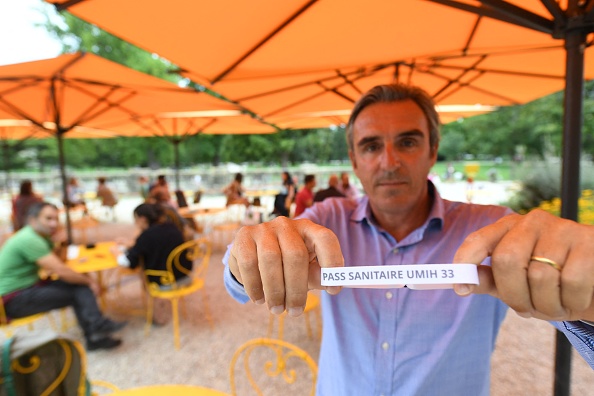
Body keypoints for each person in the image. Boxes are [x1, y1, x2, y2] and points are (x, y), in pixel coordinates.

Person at [223, 83, 594, 395]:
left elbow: (580, 323)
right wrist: (251, 255)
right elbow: (236, 283)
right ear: (353, 159)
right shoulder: (326, 219)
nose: (389, 161)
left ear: (433, 150)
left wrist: (585, 298)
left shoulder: (493, 230)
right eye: (371, 146)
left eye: (407, 142)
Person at [0, 202, 126, 350]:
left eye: (56, 219)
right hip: (12, 299)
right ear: (33, 220)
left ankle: (95, 331)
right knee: (78, 289)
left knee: (78, 286)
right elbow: (60, 270)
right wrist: (91, 282)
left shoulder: (40, 236)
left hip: (27, 288)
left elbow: (60, 260)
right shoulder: (29, 239)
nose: (54, 223)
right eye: (48, 218)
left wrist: (61, 241)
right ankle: (96, 330)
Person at [111, 203, 191, 325]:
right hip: (185, 276)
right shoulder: (172, 227)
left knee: (143, 272)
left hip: (166, 282)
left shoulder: (146, 236)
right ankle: (158, 306)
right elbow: (156, 245)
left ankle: (156, 313)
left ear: (142, 219)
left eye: (135, 220)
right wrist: (132, 244)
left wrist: (116, 252)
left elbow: (129, 263)